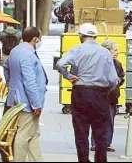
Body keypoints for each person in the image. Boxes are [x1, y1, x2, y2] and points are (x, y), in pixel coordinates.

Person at [56, 23, 118, 162]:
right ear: (95, 36)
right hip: (100, 94)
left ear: (81, 36)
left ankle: (83, 160)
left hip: (81, 92)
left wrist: (69, 75)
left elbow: (60, 64)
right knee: (101, 132)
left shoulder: (76, 50)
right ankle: (100, 159)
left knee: (81, 131)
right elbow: (113, 79)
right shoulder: (105, 52)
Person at [4, 26, 47, 162]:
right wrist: (36, 104)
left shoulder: (16, 51)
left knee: (33, 134)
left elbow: (6, 67)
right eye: (40, 38)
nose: (40, 40)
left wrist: (12, 85)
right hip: (27, 102)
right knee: (23, 134)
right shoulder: (28, 54)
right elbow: (30, 82)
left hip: (16, 98)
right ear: (35, 38)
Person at [90, 40, 125, 153]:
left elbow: (121, 77)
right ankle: (95, 143)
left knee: (109, 120)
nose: (117, 52)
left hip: (111, 96)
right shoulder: (97, 63)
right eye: (115, 50)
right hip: (98, 95)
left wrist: (117, 81)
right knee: (97, 120)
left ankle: (107, 143)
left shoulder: (117, 64)